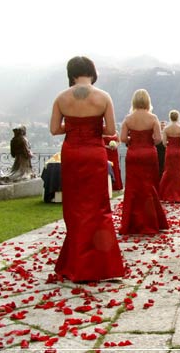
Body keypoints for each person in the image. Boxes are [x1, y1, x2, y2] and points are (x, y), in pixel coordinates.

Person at [49, 56, 125, 282]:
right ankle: (102, 264)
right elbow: (111, 129)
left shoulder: (61, 98)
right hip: (94, 152)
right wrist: (92, 126)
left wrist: (73, 126)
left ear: (71, 73)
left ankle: (77, 262)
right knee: (99, 206)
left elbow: (54, 129)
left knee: (74, 207)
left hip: (72, 152)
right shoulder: (103, 97)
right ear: (92, 71)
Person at [118, 89, 168, 234]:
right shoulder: (153, 118)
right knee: (148, 186)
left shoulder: (128, 119)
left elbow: (122, 139)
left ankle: (131, 222)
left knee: (133, 187)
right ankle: (150, 221)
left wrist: (132, 140)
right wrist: (147, 139)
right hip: (148, 154)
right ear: (147, 101)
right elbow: (158, 139)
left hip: (133, 154)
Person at [158, 109, 180, 202]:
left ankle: (166, 194)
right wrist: (178, 143)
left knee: (168, 172)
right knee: (178, 173)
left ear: (170, 117)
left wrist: (170, 144)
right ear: (178, 117)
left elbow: (164, 143)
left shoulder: (166, 129)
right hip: (178, 151)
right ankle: (178, 196)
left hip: (170, 151)